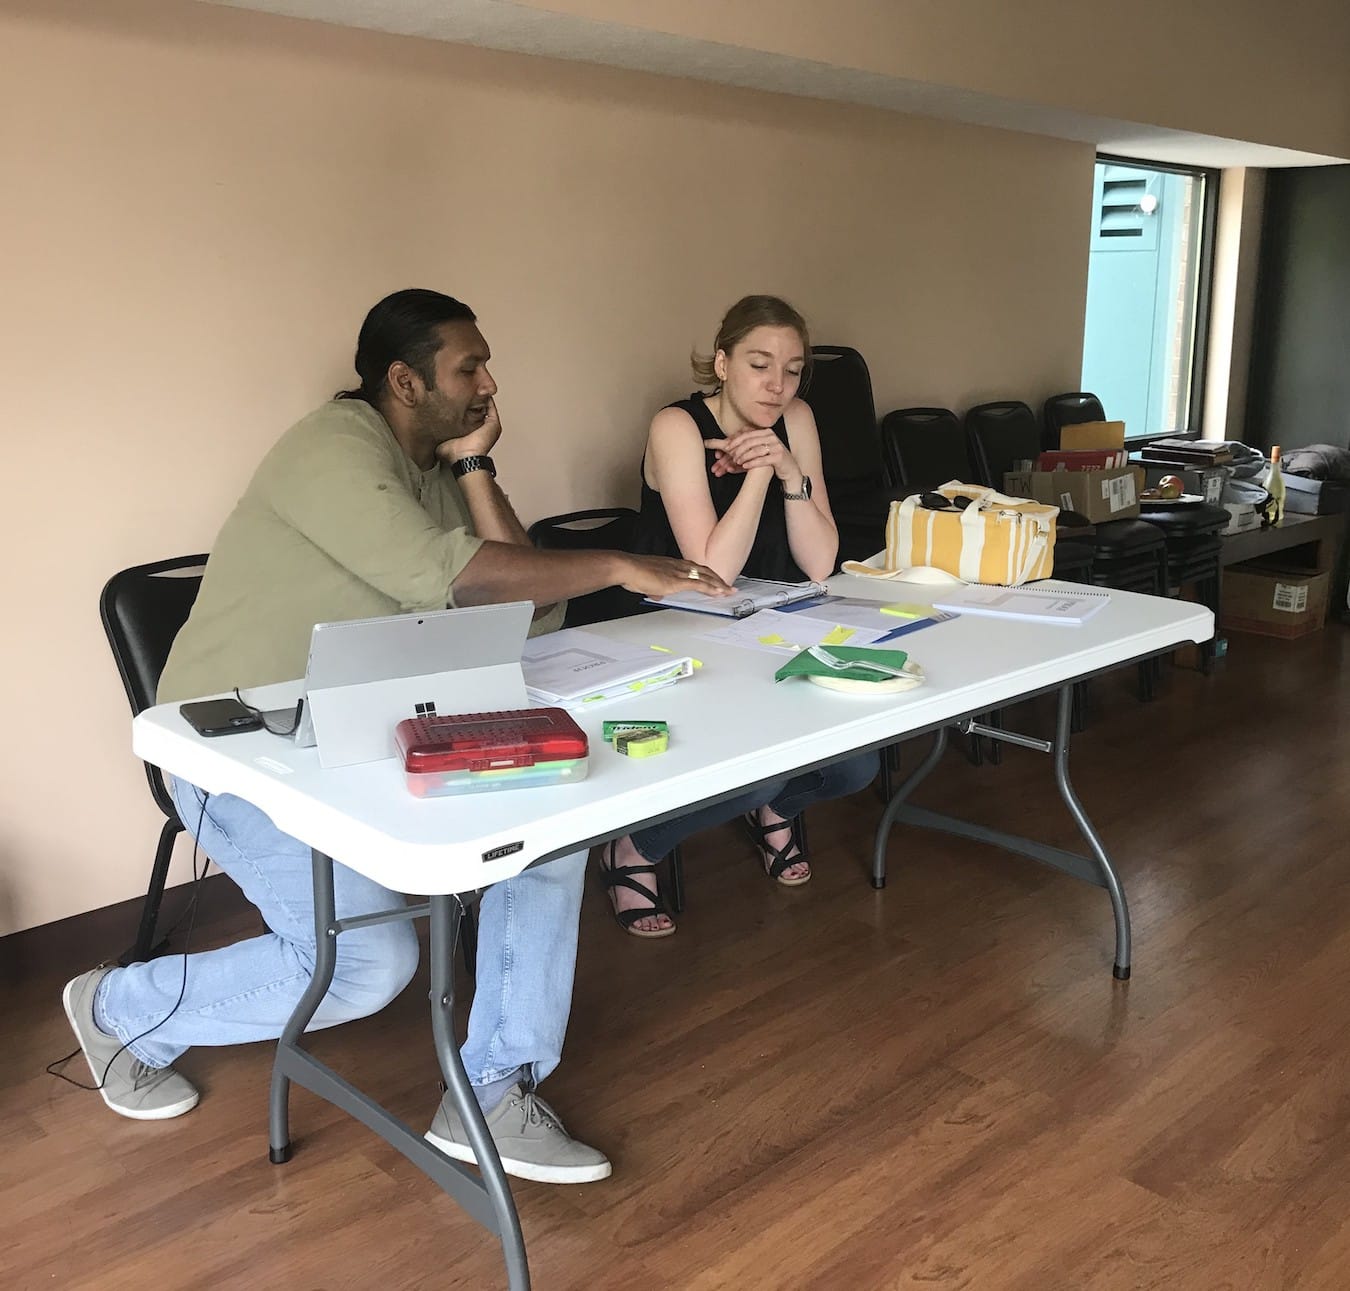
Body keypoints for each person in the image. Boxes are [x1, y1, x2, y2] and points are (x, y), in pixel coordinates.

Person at [62, 288, 730, 1183]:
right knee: (368, 960)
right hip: (234, 745)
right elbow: (448, 577)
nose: (490, 382)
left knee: (551, 822)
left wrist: (472, 470)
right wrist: (619, 560)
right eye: (470, 366)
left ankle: (491, 1090)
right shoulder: (330, 449)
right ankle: (115, 1007)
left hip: (374, 722)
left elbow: (537, 609)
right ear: (404, 381)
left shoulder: (433, 465)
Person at [600, 295, 878, 938]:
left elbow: (820, 561)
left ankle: (774, 801)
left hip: (763, 620)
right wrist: (759, 473)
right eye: (759, 364)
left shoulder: (798, 417)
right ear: (722, 363)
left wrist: (787, 470)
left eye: (792, 369)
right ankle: (635, 847)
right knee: (750, 772)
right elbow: (708, 574)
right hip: (670, 625)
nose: (777, 385)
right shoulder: (676, 425)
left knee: (855, 765)